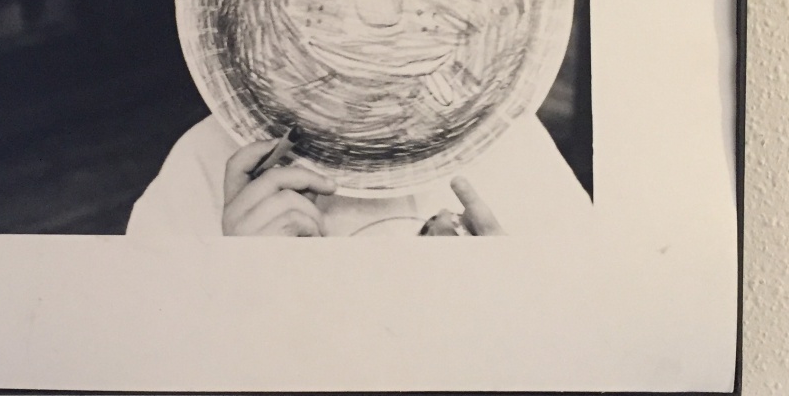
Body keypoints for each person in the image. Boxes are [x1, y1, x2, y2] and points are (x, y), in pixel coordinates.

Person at [126, 111, 591, 237]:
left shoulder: (510, 138)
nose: (375, 4)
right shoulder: (209, 159)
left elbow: (591, 340)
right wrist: (239, 288)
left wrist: (523, 301)